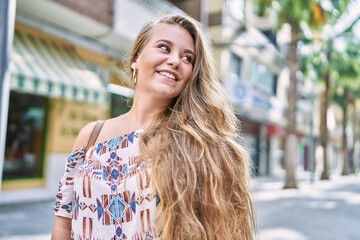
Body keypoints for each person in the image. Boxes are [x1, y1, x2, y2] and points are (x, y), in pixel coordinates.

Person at [51, 14, 256, 240]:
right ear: (136, 58)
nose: (175, 61)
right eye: (164, 48)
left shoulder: (200, 146)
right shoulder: (91, 135)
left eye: (187, 58)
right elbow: (63, 222)